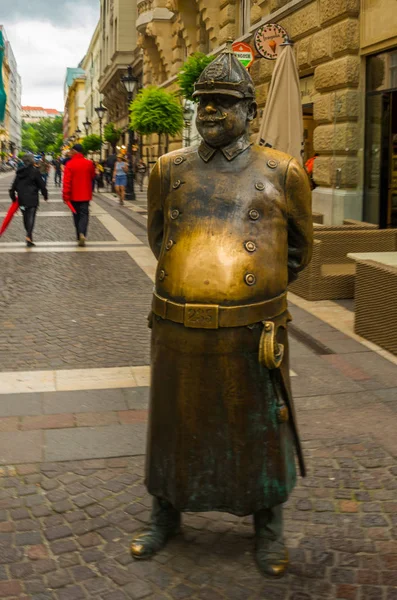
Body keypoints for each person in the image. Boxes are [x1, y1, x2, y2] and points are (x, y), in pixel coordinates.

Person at [130, 43, 313, 578]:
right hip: (177, 326)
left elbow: (299, 250)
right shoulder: (169, 169)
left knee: (260, 427)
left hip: (251, 331)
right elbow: (160, 237)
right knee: (173, 423)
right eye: (204, 102)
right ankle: (165, 511)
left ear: (250, 111)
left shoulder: (282, 172)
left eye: (224, 102)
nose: (211, 111)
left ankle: (269, 524)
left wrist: (253, 295)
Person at [9, 154, 48, 247]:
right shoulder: (35, 172)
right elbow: (42, 185)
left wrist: (13, 198)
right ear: (32, 161)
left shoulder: (19, 173)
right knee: (31, 216)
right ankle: (28, 236)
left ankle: (29, 236)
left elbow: (13, 187)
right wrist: (45, 195)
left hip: (22, 199)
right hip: (32, 198)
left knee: (25, 217)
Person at [62, 144, 95, 247]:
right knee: (84, 214)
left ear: (75, 151)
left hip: (73, 195)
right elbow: (92, 176)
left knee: (76, 215)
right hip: (85, 194)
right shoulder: (89, 163)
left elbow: (66, 181)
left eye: (71, 151)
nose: (70, 153)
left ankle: (79, 234)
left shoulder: (70, 164)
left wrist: (65, 195)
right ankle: (82, 233)